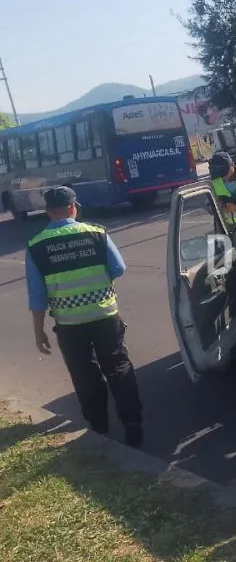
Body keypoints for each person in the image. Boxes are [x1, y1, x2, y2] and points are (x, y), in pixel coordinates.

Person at [25, 187, 143, 446]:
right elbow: (118, 268)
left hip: (69, 323)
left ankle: (99, 426)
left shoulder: (35, 246)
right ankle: (133, 425)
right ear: (73, 207)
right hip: (104, 315)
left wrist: (38, 331)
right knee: (118, 367)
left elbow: (37, 295)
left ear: (48, 211)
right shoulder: (97, 233)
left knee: (84, 374)